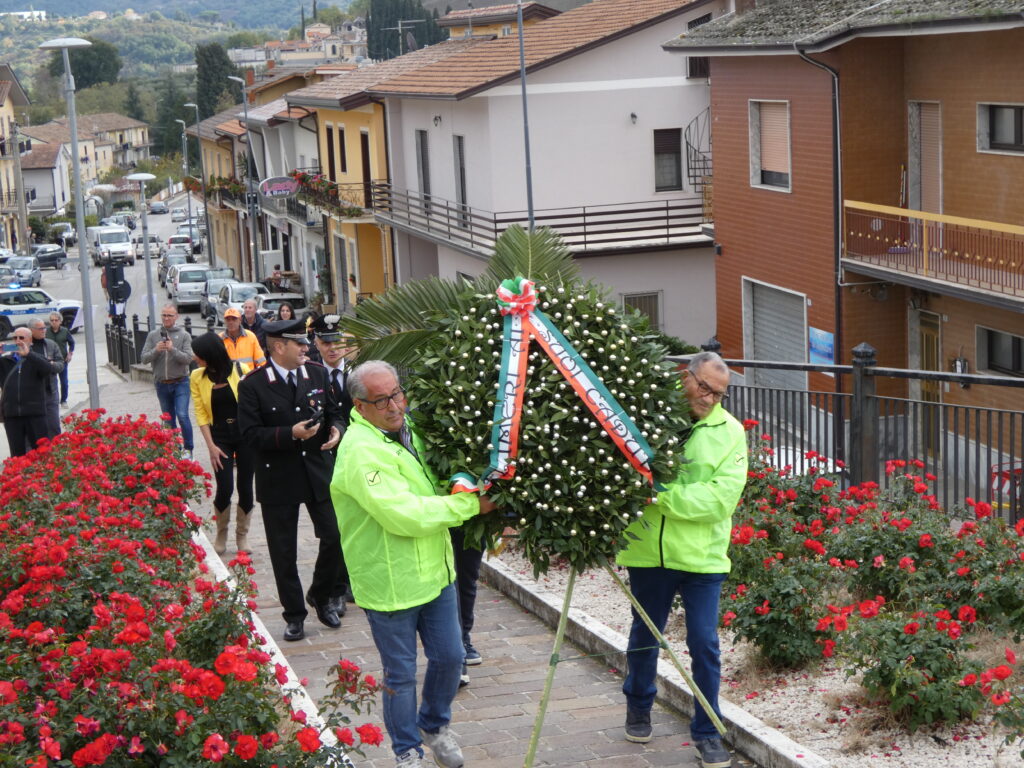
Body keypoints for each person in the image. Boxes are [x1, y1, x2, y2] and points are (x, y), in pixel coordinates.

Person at [331, 360, 495, 768]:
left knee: (451, 657)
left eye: (396, 394)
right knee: (400, 674)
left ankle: (434, 725)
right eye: (381, 400)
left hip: (435, 573)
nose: (393, 406)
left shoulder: (411, 430)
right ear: (359, 405)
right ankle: (407, 750)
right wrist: (469, 505)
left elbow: (434, 482)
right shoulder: (360, 451)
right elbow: (402, 514)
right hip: (390, 582)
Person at [616, 351, 747, 768]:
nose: (709, 398)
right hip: (648, 551)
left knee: (704, 643)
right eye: (704, 387)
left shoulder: (731, 432)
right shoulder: (649, 416)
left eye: (718, 393)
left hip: (702, 557)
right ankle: (638, 705)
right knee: (645, 634)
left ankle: (708, 731)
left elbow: (720, 500)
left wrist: (660, 496)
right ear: (685, 376)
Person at [237, 318, 345, 642]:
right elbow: (250, 435)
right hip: (278, 476)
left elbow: (334, 412)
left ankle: (321, 595)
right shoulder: (253, 384)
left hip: (317, 471)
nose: (306, 348)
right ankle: (294, 614)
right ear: (278, 347)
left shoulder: (317, 373)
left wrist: (337, 430)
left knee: (335, 536)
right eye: (299, 343)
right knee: (284, 552)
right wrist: (290, 434)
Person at [190, 332, 255, 555]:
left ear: (210, 354)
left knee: (245, 486)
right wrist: (211, 446)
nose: (195, 358)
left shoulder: (241, 370)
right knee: (225, 486)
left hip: (244, 435)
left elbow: (253, 404)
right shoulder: (196, 377)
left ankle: (242, 535)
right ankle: (221, 533)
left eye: (198, 354)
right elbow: (200, 412)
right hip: (219, 437)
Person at [140, 305, 195, 459]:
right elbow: (144, 358)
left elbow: (188, 359)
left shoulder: (184, 335)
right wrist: (156, 350)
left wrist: (172, 349)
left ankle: (188, 449)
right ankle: (175, 450)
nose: (166, 318)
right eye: (164, 315)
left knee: (182, 415)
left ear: (176, 317)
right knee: (168, 420)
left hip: (180, 382)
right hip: (161, 384)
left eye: (169, 315)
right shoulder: (153, 335)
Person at [1, 326, 54, 456]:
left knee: (41, 452)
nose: (18, 341)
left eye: (22, 338)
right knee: (17, 454)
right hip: (12, 415)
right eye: (15, 338)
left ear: (30, 340)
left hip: (34, 413)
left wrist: (29, 355)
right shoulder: (4, 361)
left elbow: (48, 369)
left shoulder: (37, 359)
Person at [29, 318, 64, 438]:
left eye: (44, 327)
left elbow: (61, 365)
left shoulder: (51, 344)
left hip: (50, 392)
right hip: (31, 394)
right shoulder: (25, 347)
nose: (44, 330)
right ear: (31, 330)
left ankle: (55, 448)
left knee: (53, 426)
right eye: (41, 328)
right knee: (33, 429)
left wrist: (51, 365)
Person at [46, 312, 74, 409]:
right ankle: (53, 400)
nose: (54, 322)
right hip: (49, 360)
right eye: (52, 320)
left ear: (60, 321)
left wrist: (70, 354)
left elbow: (72, 343)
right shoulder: (46, 332)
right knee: (51, 382)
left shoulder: (65, 331)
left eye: (56, 320)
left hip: (62, 360)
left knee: (64, 382)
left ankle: (63, 400)